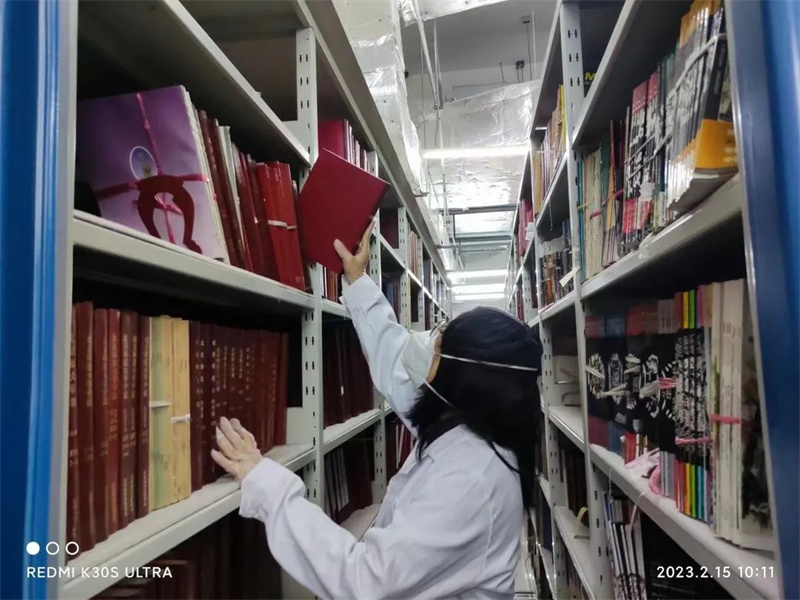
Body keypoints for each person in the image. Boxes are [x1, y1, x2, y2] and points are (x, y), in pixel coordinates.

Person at [212, 224, 543, 599]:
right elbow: (394, 356)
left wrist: (267, 486)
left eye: (439, 343)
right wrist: (357, 279)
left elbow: (365, 581)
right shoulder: (464, 421)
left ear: (466, 378)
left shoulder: (471, 480)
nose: (427, 341)